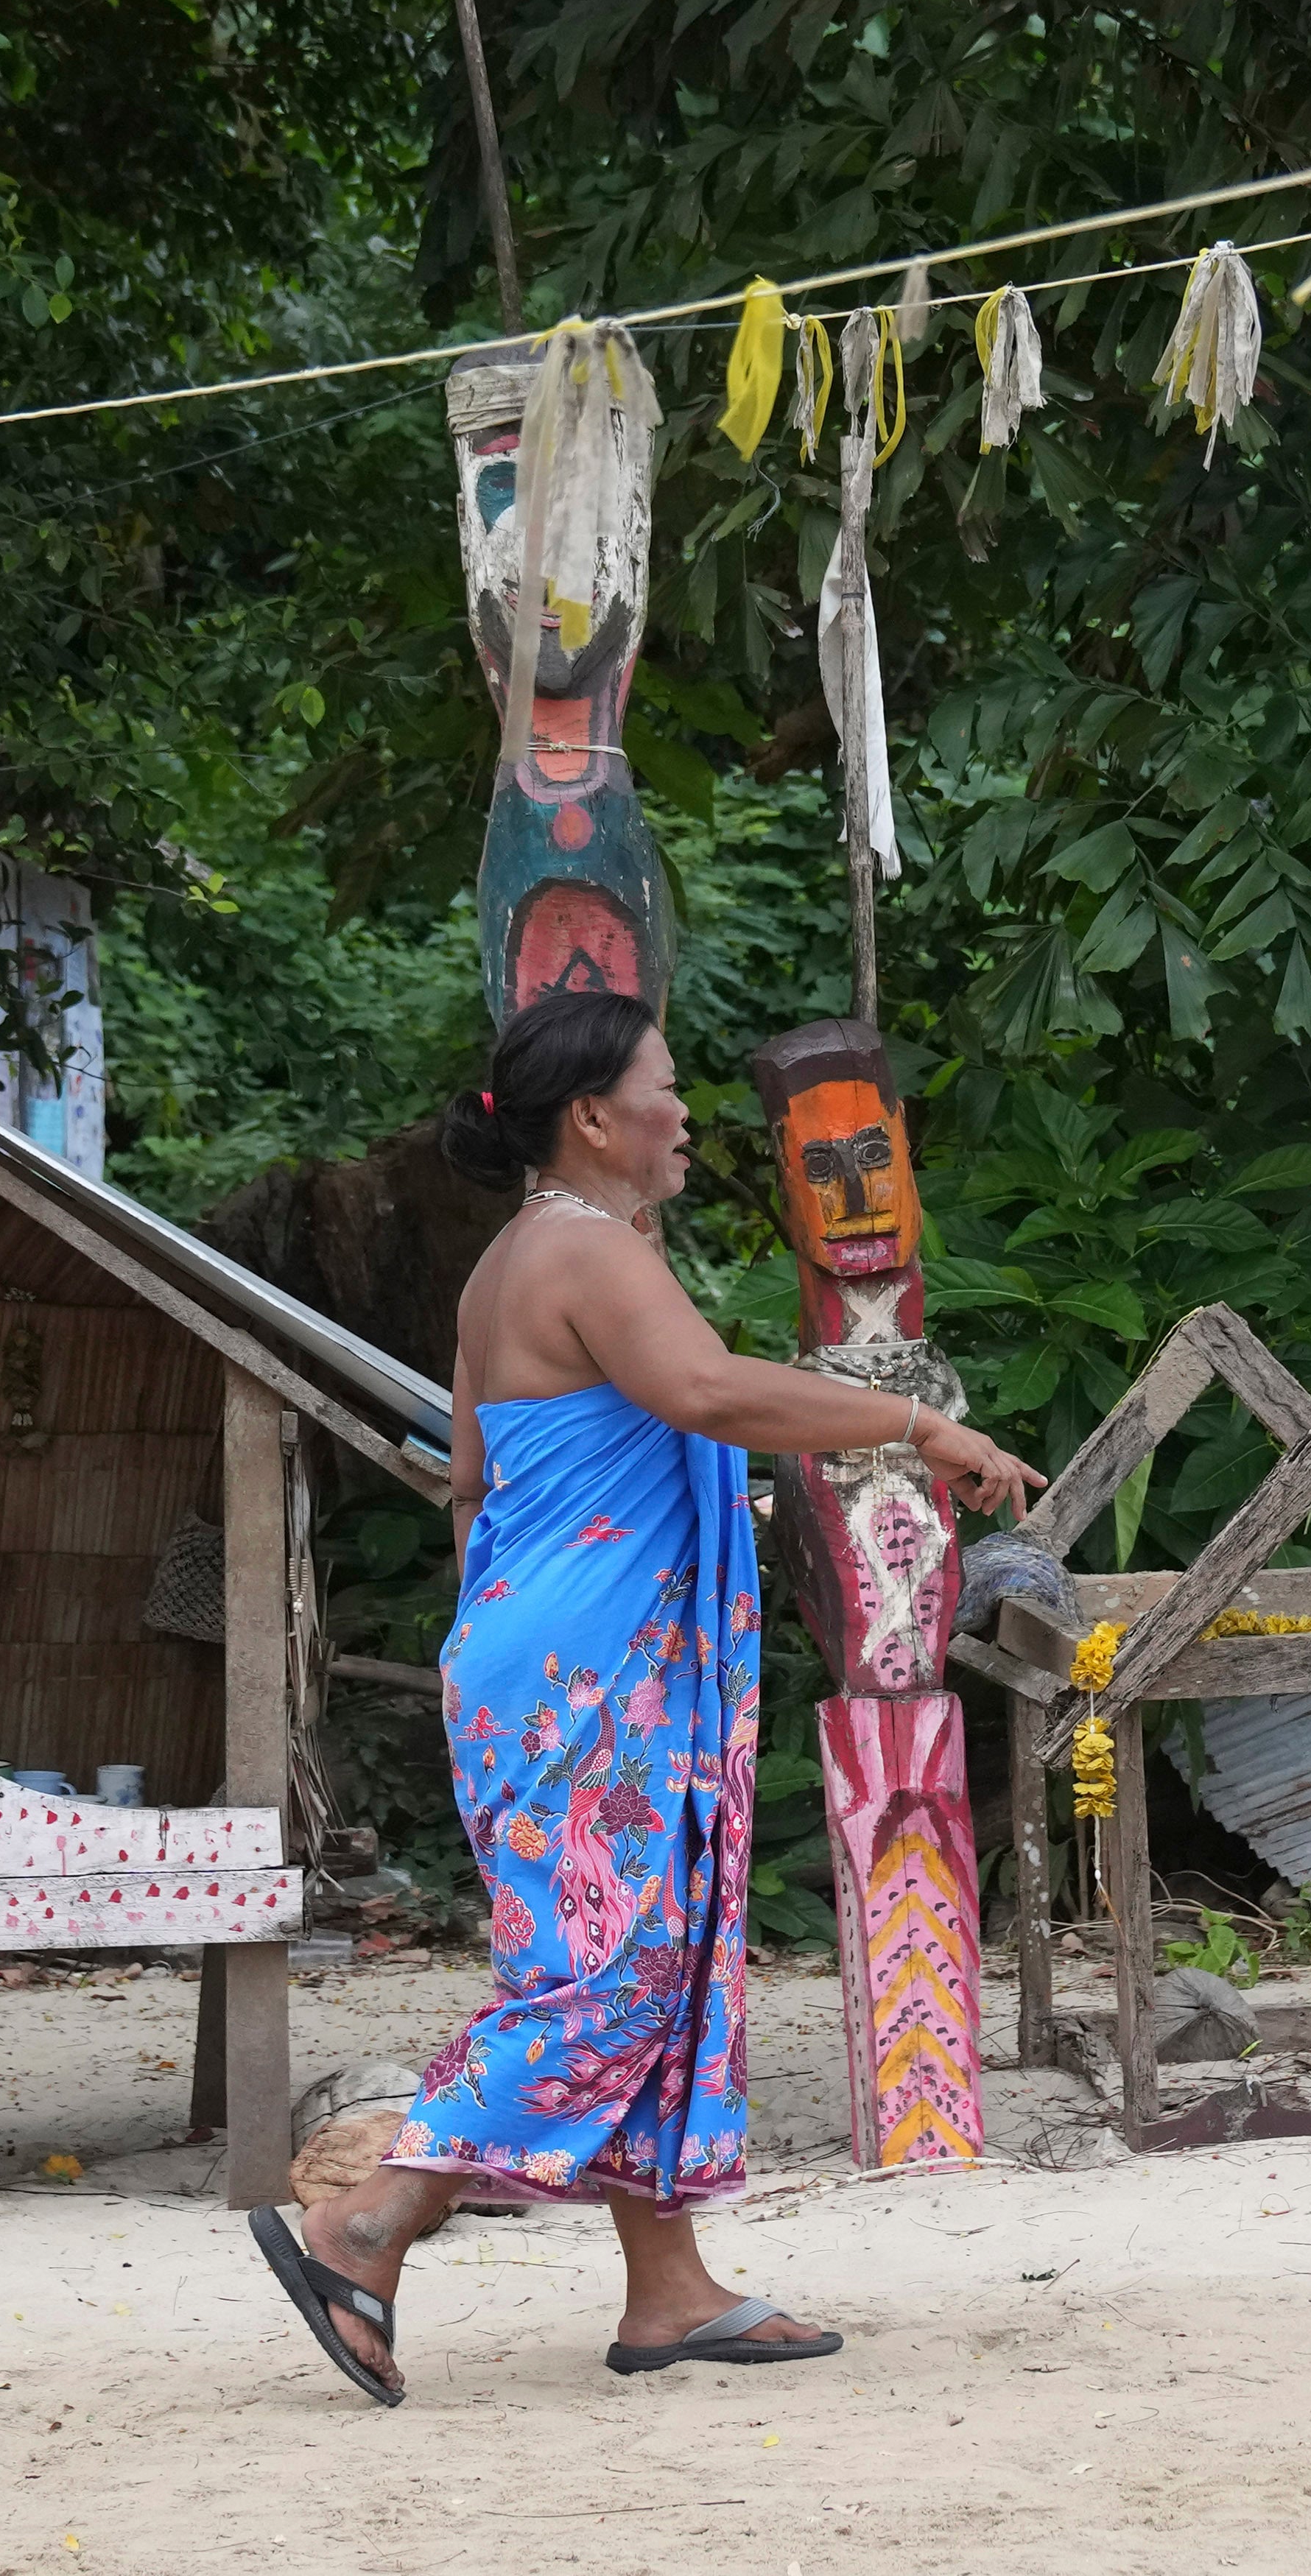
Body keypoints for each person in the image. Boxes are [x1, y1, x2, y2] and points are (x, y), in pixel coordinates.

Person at [247, 988, 1041, 2406]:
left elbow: (480, 1492)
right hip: (582, 1677)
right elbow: (711, 1393)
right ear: (597, 1118)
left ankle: (669, 2293)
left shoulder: (524, 1258)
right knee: (609, 1974)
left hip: (557, 1660)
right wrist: (920, 1422)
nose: (688, 1115)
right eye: (665, 1087)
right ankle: (372, 2219)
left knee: (662, 1966)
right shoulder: (577, 1248)